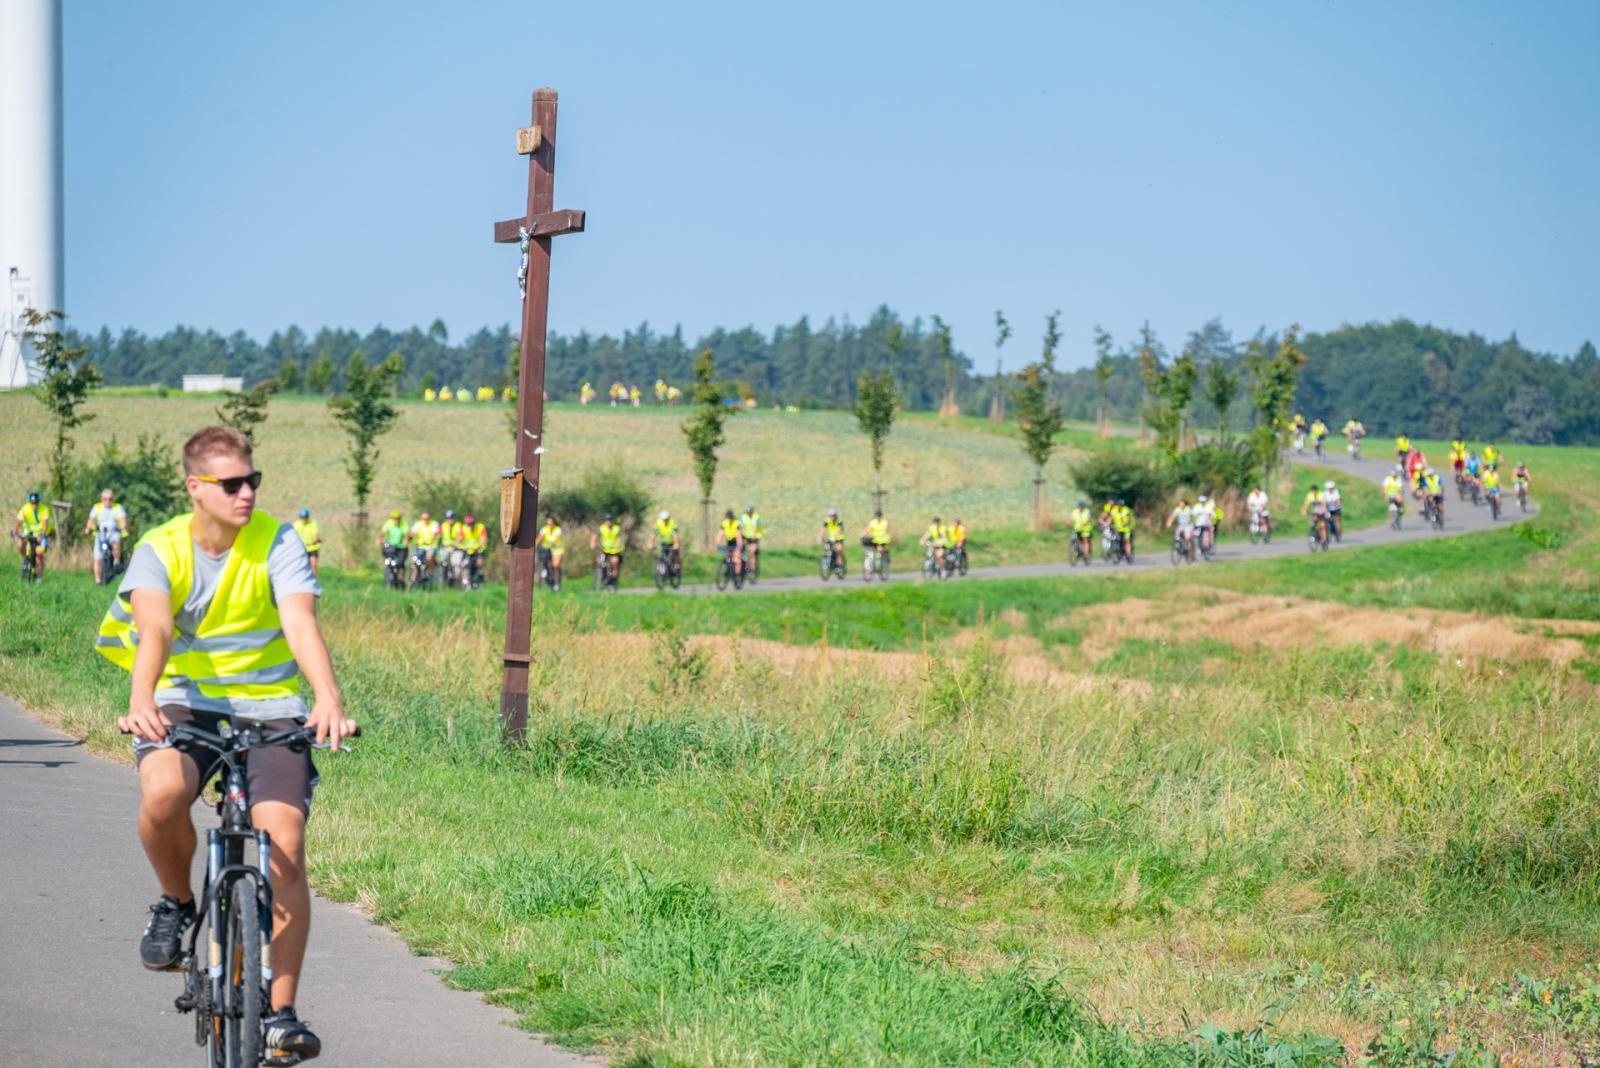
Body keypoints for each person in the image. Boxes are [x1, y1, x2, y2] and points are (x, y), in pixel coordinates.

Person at [96, 426, 354, 1063]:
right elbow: (153, 626)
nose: (246, 494)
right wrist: (141, 698)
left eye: (252, 481)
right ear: (195, 489)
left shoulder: (277, 540)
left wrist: (327, 699)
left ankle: (281, 1013)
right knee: (162, 792)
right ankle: (178, 903)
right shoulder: (161, 549)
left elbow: (300, 621)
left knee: (284, 845)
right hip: (186, 699)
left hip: (272, 708)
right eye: (231, 484)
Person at [86, 488, 131, 583]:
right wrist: (88, 528)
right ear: (102, 499)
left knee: (116, 542)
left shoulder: (117, 507)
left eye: (110, 499)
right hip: (100, 533)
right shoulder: (97, 507)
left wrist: (123, 529)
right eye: (105, 499)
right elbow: (91, 520)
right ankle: (98, 580)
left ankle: (116, 562)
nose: (108, 501)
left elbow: (123, 520)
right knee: (97, 557)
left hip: (113, 532)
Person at [12, 490, 54, 577]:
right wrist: (15, 533)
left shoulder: (44, 509)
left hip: (41, 534)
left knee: (39, 554)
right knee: (20, 544)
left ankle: (39, 577)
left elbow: (45, 525)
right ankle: (27, 559)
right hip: (28, 533)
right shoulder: (24, 509)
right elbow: (18, 522)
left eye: (36, 503)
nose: (34, 505)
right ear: (29, 502)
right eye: (32, 503)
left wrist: (42, 535)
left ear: (39, 502)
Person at [407, 510, 441, 583]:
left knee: (429, 558)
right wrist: (409, 538)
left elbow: (435, 534)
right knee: (415, 561)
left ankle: (430, 573)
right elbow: (412, 533)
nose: (425, 520)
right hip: (420, 546)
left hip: (431, 545)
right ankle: (414, 578)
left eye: (426, 519)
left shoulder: (434, 524)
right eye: (423, 519)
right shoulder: (418, 524)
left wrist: (431, 540)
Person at [591, 512, 624, 584]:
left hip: (614, 550)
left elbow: (619, 538)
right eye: (607, 520)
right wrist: (593, 543)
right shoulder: (601, 528)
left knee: (614, 562)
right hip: (604, 549)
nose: (608, 522)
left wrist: (617, 544)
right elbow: (595, 536)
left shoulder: (616, 528)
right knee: (600, 561)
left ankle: (613, 579)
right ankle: (602, 576)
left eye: (610, 520)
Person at [648, 510, 681, 577]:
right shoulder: (658, 523)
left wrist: (676, 543)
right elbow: (653, 534)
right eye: (663, 519)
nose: (665, 521)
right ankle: (662, 571)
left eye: (666, 519)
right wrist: (651, 543)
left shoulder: (672, 523)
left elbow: (675, 534)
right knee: (662, 555)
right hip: (663, 543)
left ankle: (677, 566)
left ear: (669, 518)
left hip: (672, 542)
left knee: (675, 553)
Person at [536, 514, 565, 590]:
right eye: (548, 523)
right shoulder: (544, 529)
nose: (549, 525)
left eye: (551, 523)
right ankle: (545, 582)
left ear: (554, 523)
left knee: (555, 565)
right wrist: (535, 545)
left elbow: (558, 540)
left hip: (557, 549)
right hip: (546, 549)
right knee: (544, 564)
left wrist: (556, 543)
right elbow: (539, 539)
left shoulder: (558, 529)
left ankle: (557, 583)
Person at [458, 512, 488, 585]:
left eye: (471, 523)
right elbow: (458, 540)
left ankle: (480, 579)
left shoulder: (481, 527)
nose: (470, 525)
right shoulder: (463, 528)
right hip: (467, 551)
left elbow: (483, 541)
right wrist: (460, 546)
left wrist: (477, 547)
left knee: (479, 563)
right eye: (468, 524)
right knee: (463, 564)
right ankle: (465, 581)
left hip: (478, 550)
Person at [377, 509, 407, 577]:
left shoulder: (403, 524)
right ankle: (388, 576)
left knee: (400, 564)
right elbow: (383, 533)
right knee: (387, 559)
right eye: (394, 518)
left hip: (400, 547)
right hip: (390, 546)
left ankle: (401, 581)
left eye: (397, 518)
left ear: (400, 518)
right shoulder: (388, 523)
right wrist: (379, 539)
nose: (396, 520)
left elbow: (406, 534)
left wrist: (406, 540)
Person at [292, 507, 321, 577]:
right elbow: (293, 536)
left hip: (312, 548)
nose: (304, 519)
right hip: (301, 549)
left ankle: (314, 580)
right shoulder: (296, 525)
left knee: (313, 564)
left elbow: (315, 534)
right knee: (302, 566)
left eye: (305, 518)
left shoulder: (313, 523)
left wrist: (315, 539)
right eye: (302, 518)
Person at [739, 505, 764, 578]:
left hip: (754, 537)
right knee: (740, 550)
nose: (748, 514)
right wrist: (741, 538)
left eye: (750, 512)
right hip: (746, 536)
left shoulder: (756, 517)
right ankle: (742, 568)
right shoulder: (743, 517)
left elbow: (755, 528)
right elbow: (740, 527)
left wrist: (753, 536)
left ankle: (752, 570)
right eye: (747, 512)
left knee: (752, 552)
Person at [819, 509, 846, 573]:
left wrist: (836, 538)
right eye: (830, 516)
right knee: (826, 548)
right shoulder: (826, 521)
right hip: (830, 538)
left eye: (833, 516)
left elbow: (839, 530)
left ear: (836, 516)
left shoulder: (839, 521)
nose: (832, 517)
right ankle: (825, 562)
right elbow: (822, 529)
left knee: (838, 550)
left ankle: (839, 565)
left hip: (839, 538)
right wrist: (820, 537)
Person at [720, 509, 744, 576]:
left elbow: (739, 536)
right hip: (729, 541)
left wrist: (739, 547)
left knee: (736, 556)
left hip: (737, 540)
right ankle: (729, 570)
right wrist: (717, 543)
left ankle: (737, 574)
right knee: (729, 556)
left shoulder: (736, 523)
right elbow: (720, 534)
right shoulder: (724, 523)